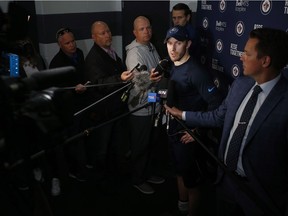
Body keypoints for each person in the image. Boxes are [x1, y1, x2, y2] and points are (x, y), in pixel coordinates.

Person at [165, 27, 288, 216]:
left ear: (265, 61)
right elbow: (218, 116)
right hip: (225, 182)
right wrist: (183, 115)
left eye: (247, 53)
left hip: (259, 195)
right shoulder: (241, 84)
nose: (241, 57)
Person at [159, 25, 225, 215]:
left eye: (178, 43)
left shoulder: (196, 72)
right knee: (179, 173)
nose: (172, 48)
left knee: (192, 182)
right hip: (172, 130)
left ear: (188, 44)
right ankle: (182, 206)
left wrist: (197, 131)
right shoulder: (172, 66)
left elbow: (217, 105)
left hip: (187, 136)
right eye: (169, 43)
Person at [84, 21, 133, 188]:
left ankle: (116, 178)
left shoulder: (111, 52)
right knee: (102, 148)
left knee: (117, 144)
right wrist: (120, 78)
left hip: (116, 108)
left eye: (108, 31)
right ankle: (100, 183)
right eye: (102, 33)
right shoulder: (93, 58)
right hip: (105, 112)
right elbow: (99, 83)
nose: (107, 35)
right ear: (93, 37)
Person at [125, 15, 167, 195]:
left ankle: (147, 173)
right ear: (135, 32)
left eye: (148, 27)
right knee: (140, 145)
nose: (146, 31)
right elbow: (138, 83)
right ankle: (137, 179)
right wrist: (150, 79)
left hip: (153, 103)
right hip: (140, 108)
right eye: (142, 29)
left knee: (151, 143)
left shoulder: (150, 46)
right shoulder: (134, 52)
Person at [48, 27, 88, 196]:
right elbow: (57, 91)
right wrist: (73, 91)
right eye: (67, 43)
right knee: (72, 139)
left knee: (83, 135)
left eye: (73, 41)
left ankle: (82, 164)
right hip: (68, 107)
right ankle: (73, 170)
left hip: (82, 103)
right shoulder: (56, 63)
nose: (72, 45)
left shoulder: (79, 53)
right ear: (60, 44)